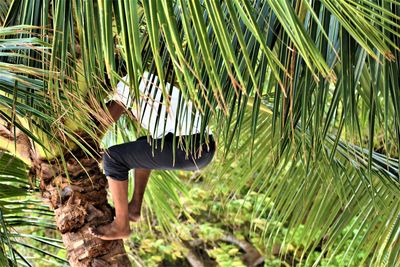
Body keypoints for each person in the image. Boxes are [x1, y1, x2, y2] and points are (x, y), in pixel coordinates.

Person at [89, 71, 216, 240]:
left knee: (114, 158)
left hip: (191, 147)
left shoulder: (127, 83)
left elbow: (101, 125)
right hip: (201, 147)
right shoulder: (145, 80)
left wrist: (87, 147)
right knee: (143, 144)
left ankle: (121, 225)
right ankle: (134, 208)